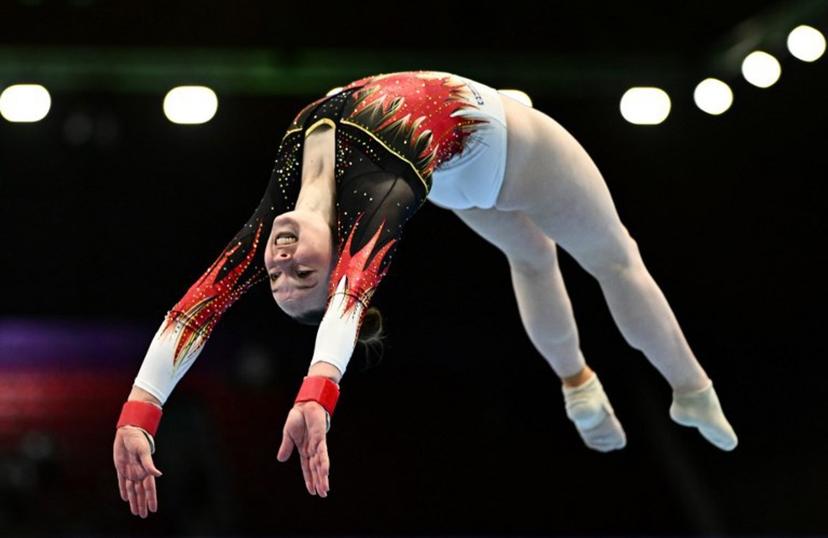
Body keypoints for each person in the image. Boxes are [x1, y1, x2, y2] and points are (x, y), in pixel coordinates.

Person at [112, 71, 738, 518]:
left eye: (277, 279)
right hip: (522, 155)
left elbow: (197, 305)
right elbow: (352, 299)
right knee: (616, 258)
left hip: (464, 174)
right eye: (301, 275)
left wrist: (139, 412)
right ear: (338, 252)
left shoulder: (280, 202)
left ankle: (579, 388)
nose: (278, 264)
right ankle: (691, 391)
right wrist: (317, 395)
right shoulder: (378, 195)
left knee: (532, 256)